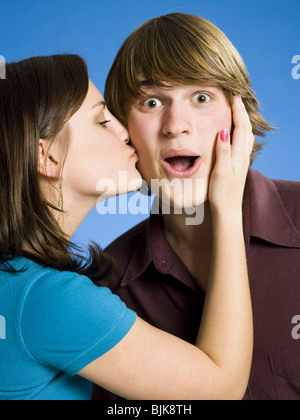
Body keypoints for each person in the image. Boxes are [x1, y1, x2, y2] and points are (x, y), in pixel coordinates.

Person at [0, 54, 253, 400]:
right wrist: (227, 208)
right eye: (102, 121)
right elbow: (221, 390)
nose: (124, 131)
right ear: (47, 157)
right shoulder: (47, 298)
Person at [93, 13, 300, 401]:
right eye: (152, 102)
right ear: (124, 129)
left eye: (201, 98)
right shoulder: (106, 287)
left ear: (238, 114)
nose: (176, 124)